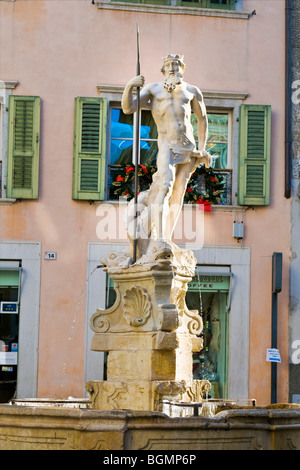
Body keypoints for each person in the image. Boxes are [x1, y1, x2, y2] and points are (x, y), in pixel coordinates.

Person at [122, 54, 212, 262]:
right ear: (163, 70)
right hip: (167, 147)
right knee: (164, 188)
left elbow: (203, 119)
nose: (172, 68)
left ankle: (167, 237)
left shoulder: (191, 90)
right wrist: (130, 86)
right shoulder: (154, 89)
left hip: (188, 149)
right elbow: (128, 108)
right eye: (169, 65)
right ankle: (159, 239)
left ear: (182, 68)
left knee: (178, 193)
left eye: (176, 64)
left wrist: (203, 148)